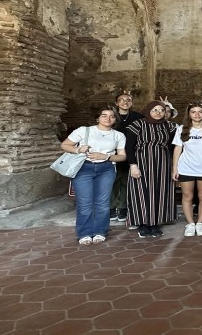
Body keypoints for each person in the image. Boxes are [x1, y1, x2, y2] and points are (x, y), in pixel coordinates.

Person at [61, 107, 127, 245]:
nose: (108, 118)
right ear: (97, 118)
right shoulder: (84, 130)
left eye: (112, 116)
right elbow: (65, 145)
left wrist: (106, 156)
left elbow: (122, 156)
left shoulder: (118, 135)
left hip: (106, 169)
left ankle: (100, 231)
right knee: (85, 202)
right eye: (104, 115)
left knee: (102, 202)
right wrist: (78, 149)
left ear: (115, 120)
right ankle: (84, 233)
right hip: (84, 168)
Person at [125, 100, 178, 239]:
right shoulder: (138, 124)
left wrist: (174, 165)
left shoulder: (170, 126)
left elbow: (174, 147)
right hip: (141, 162)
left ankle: (155, 223)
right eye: (155, 110)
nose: (158, 113)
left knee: (160, 192)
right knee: (141, 192)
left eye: (161, 110)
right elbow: (129, 146)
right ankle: (143, 224)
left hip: (163, 164)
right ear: (148, 111)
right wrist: (133, 165)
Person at [172, 103, 202, 237]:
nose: (197, 115)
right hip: (186, 167)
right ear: (189, 114)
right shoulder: (182, 129)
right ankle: (190, 224)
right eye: (193, 112)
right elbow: (178, 148)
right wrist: (174, 168)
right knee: (187, 196)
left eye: (200, 112)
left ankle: (200, 223)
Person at [110, 93, 143, 223]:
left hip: (131, 153)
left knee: (126, 182)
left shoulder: (138, 117)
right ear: (116, 103)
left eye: (128, 100)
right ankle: (111, 208)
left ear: (132, 103)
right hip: (113, 153)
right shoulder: (112, 116)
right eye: (121, 100)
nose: (125, 102)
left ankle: (123, 208)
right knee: (112, 182)